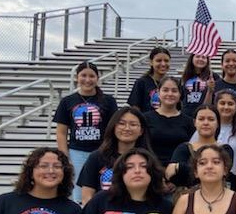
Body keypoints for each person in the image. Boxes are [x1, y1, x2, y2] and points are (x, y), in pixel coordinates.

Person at [54, 61, 118, 202]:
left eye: (91, 76)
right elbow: (61, 132)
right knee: (79, 191)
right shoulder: (67, 101)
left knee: (104, 186)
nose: (87, 80)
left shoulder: (108, 101)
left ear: (97, 78)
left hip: (103, 151)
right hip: (77, 152)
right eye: (83, 75)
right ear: (76, 77)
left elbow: (114, 128)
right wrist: (64, 156)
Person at [77, 106, 151, 205]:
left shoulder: (148, 159)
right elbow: (87, 196)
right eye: (121, 123)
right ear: (114, 127)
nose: (127, 128)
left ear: (141, 131)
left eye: (133, 124)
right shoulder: (96, 157)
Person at [167, 104, 234, 190]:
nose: (206, 123)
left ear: (218, 123)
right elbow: (171, 175)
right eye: (201, 119)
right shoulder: (184, 148)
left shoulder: (225, 149)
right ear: (195, 122)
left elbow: (222, 172)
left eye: (211, 119)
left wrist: (179, 167)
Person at [145, 77, 195, 167]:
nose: (170, 94)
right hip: (151, 168)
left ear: (180, 94)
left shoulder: (189, 122)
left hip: (179, 170)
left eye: (174, 91)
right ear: (158, 93)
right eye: (165, 90)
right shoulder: (146, 118)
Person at [127, 46, 171, 112]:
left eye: (166, 61)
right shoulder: (141, 83)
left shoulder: (173, 83)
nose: (163, 64)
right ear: (151, 62)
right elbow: (135, 109)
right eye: (159, 60)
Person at [181, 53, 217, 117]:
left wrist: (210, 89)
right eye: (197, 56)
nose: (200, 59)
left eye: (203, 57)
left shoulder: (213, 77)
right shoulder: (185, 76)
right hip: (186, 115)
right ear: (192, 58)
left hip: (204, 115)